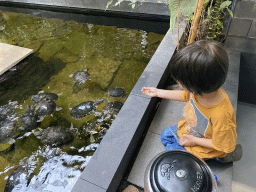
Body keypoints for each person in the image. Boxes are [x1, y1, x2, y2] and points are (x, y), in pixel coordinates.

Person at [141, 40, 242, 163]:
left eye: (181, 83)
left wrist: (193, 141)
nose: (179, 84)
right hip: (193, 130)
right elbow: (184, 95)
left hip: (208, 144)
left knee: (171, 151)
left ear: (196, 86)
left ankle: (222, 157)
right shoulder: (202, 91)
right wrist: (157, 92)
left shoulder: (221, 114)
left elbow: (224, 145)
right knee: (165, 136)